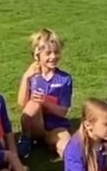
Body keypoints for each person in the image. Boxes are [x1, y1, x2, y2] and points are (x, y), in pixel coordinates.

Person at [17, 29, 73, 160]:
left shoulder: (64, 79)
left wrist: (46, 103)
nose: (53, 57)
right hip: (36, 127)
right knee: (33, 103)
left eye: (56, 52)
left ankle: (74, 167)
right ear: (37, 55)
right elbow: (21, 104)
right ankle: (26, 137)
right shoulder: (32, 76)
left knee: (66, 144)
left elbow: (63, 111)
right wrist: (26, 77)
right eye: (48, 53)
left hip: (56, 127)